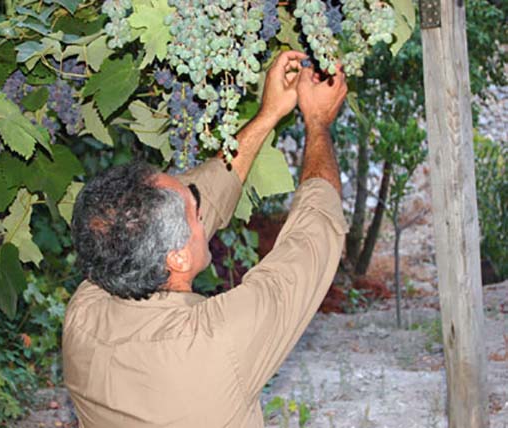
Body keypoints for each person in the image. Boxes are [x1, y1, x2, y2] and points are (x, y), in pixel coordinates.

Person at [63, 50, 348, 428]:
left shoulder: (84, 312)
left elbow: (206, 193)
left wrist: (268, 116)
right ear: (177, 259)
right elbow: (314, 236)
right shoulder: (217, 340)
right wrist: (317, 121)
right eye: (195, 212)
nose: (204, 211)